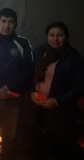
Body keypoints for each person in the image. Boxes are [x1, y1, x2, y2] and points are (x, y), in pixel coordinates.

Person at [22, 22, 84, 159]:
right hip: (36, 107)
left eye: (60, 35)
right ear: (47, 36)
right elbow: (28, 76)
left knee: (57, 148)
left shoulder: (74, 58)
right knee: (36, 143)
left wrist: (57, 101)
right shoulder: (39, 52)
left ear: (66, 37)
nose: (55, 39)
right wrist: (32, 91)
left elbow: (80, 87)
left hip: (60, 111)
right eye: (52, 35)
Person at [0, 7, 34, 159]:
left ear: (15, 24)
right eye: (3, 21)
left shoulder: (23, 43)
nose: (7, 25)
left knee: (11, 135)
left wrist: (9, 89)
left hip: (14, 98)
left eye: (11, 22)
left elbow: (28, 70)